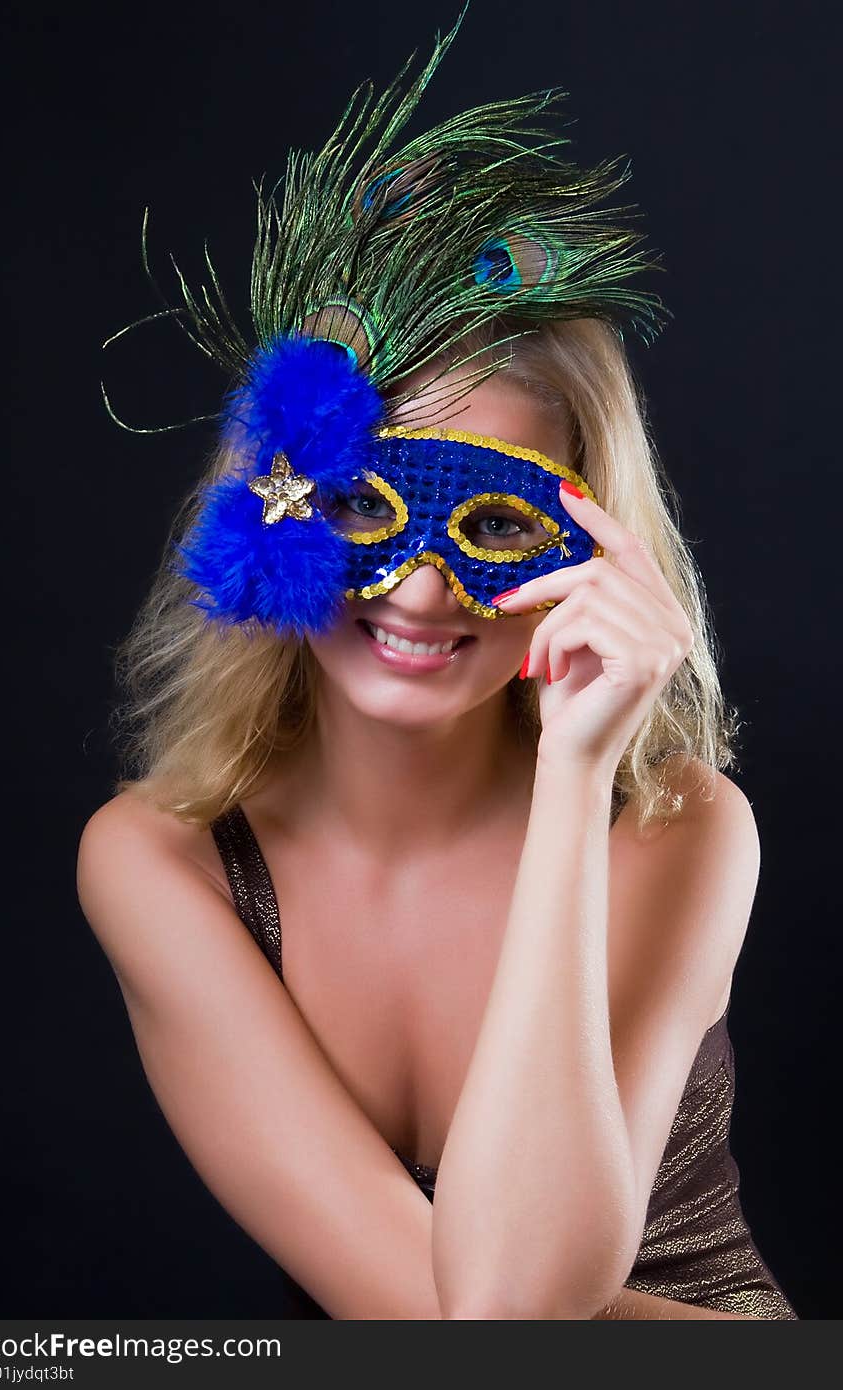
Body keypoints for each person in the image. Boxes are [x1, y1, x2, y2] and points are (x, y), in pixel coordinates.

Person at [77, 9, 798, 1320]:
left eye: (497, 527)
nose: (419, 588)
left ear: (591, 542)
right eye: (365, 508)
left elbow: (503, 1313)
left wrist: (577, 783)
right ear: (282, 500)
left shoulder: (685, 832)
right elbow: (489, 1316)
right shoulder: (161, 865)